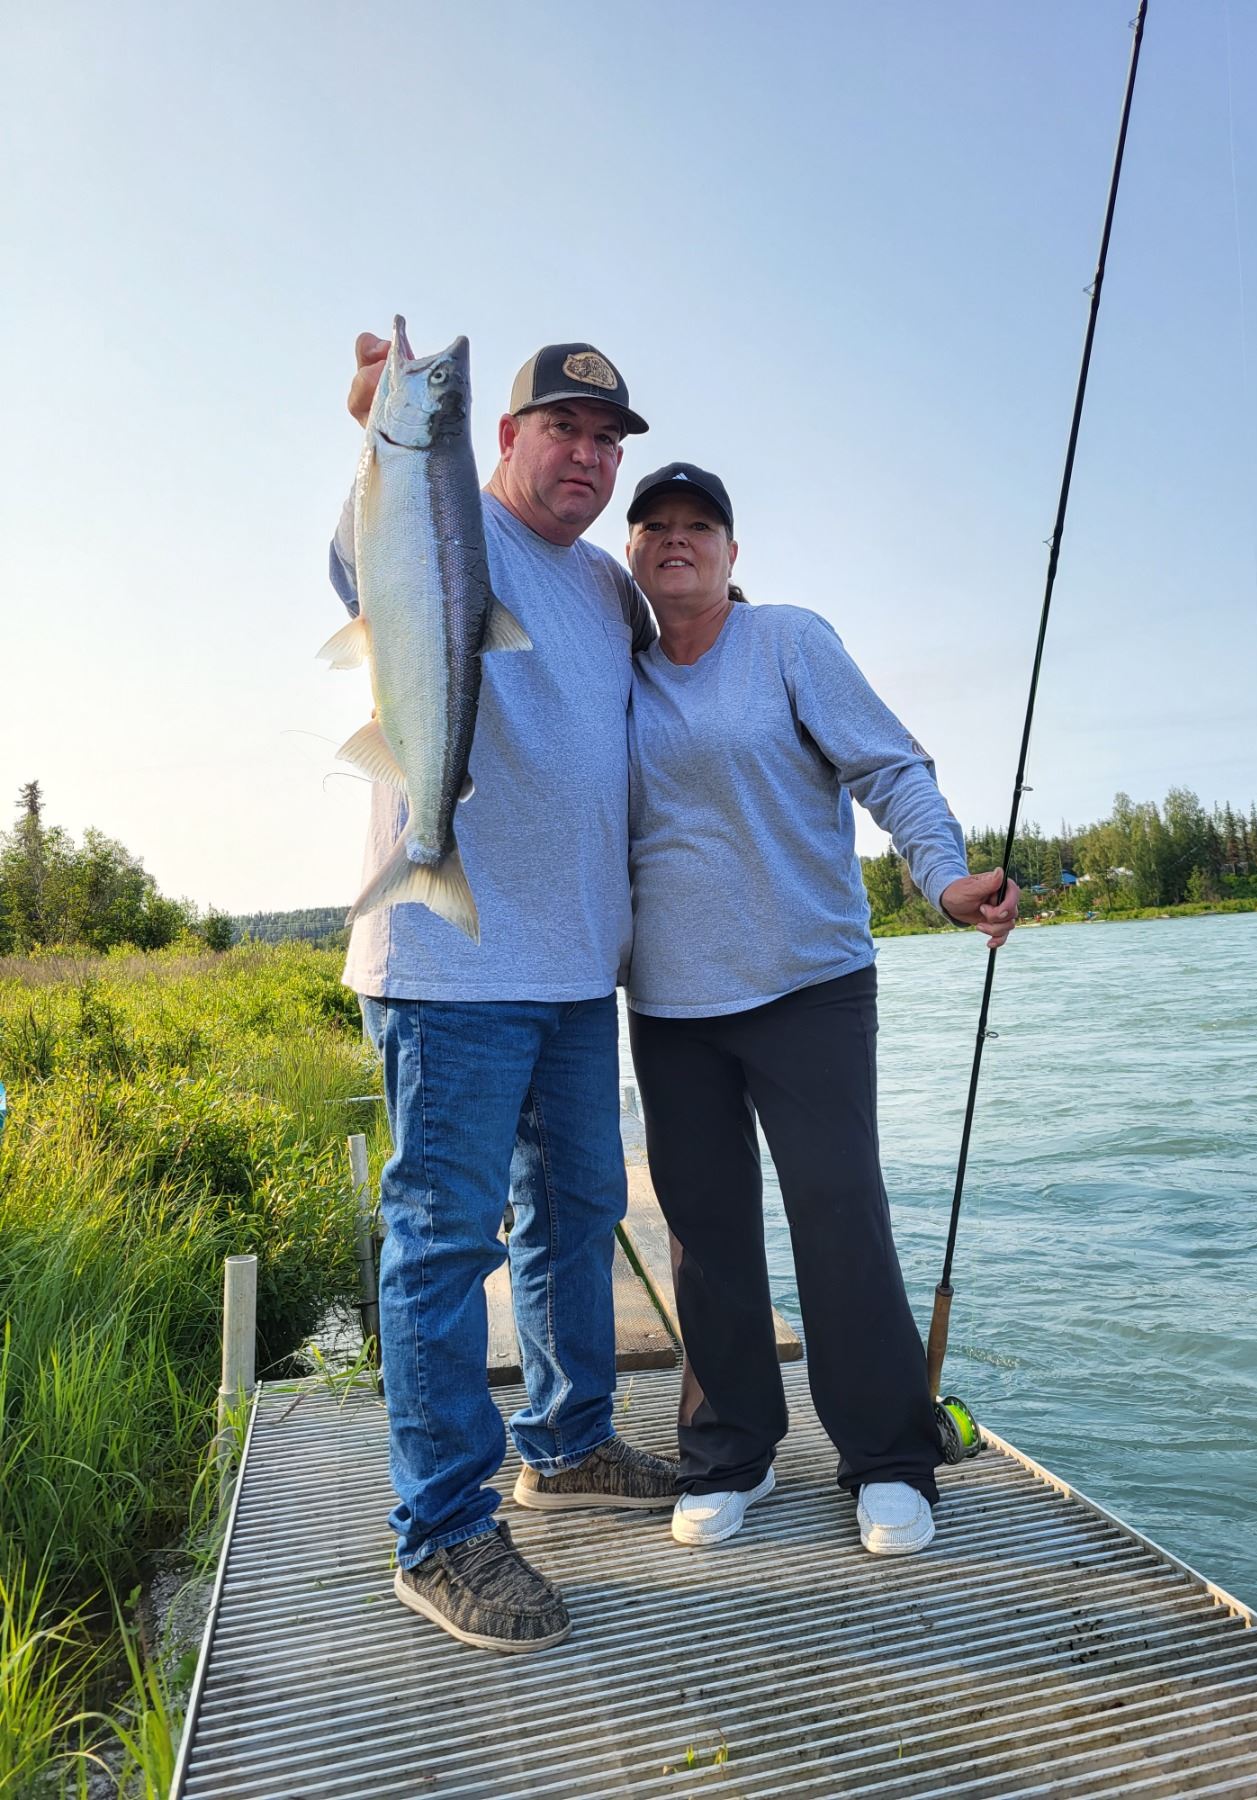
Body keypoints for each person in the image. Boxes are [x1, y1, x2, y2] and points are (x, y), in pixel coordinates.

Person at [331, 337, 678, 1655]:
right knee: (442, 1244)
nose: (587, 455)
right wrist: (373, 431)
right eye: (563, 429)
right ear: (504, 438)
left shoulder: (604, 585)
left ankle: (569, 1443)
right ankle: (441, 1532)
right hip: (448, 968)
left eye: (608, 439)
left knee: (577, 1211)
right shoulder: (442, 517)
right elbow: (359, 559)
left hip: (572, 969)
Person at [621, 463, 1019, 1556]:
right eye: (654, 526)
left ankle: (888, 1457)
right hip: (672, 1006)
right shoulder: (620, 675)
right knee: (706, 1236)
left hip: (811, 987)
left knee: (840, 1217)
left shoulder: (789, 641)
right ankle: (729, 1453)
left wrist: (944, 879)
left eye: (699, 525)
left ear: (733, 552)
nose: (676, 539)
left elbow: (893, 768)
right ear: (632, 553)